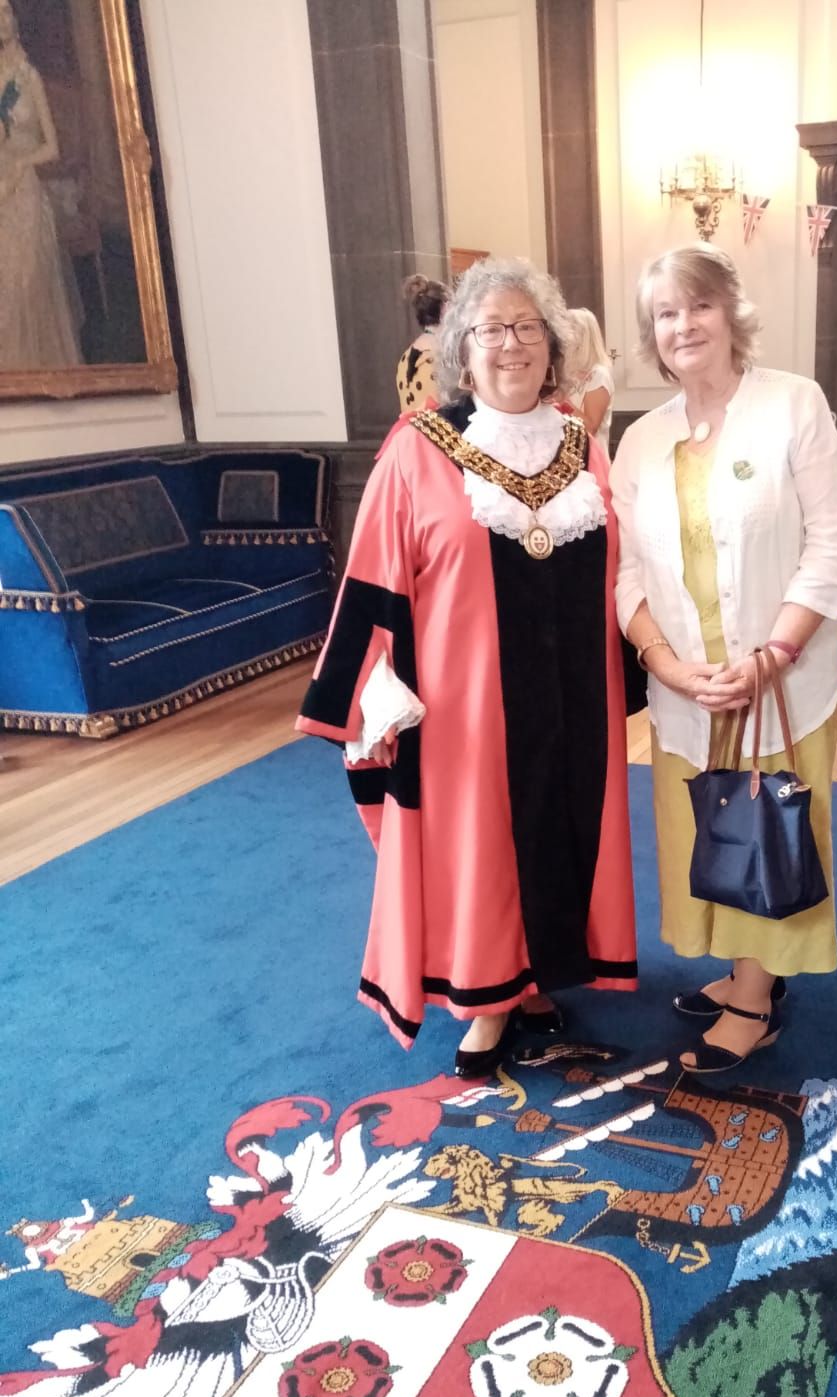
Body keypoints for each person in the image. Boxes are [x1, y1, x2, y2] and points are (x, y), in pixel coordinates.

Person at [299, 257, 637, 1074]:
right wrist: (371, 698)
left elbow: (624, 563)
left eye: (528, 328)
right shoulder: (418, 450)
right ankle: (485, 1001)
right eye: (491, 330)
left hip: (575, 698)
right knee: (480, 845)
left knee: (561, 822)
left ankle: (536, 978)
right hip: (462, 704)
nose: (511, 345)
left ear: (553, 347)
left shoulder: (583, 448)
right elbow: (375, 575)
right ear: (462, 348)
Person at [611, 243, 837, 1085]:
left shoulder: (794, 404)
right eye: (666, 315)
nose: (684, 326)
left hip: (782, 682)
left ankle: (754, 1000)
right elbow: (628, 573)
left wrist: (773, 654)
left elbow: (834, 546)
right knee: (708, 831)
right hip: (685, 689)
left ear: (730, 312)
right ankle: (741, 966)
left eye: (698, 306)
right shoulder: (640, 441)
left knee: (769, 829)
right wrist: (666, 664)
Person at [0, 0, 82, 370]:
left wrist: (20, 163)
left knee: (23, 286)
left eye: (4, 11)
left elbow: (52, 147)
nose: (0, 21)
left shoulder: (30, 77)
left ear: (16, 18)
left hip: (26, 189)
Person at [395, 273, 449, 413]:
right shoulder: (438, 355)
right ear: (445, 307)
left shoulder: (407, 355)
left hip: (407, 433)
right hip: (436, 433)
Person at [563, 307, 614, 449]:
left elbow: (590, 428)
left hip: (591, 461)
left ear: (581, 338)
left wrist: (561, 401)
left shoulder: (598, 375)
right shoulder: (564, 373)